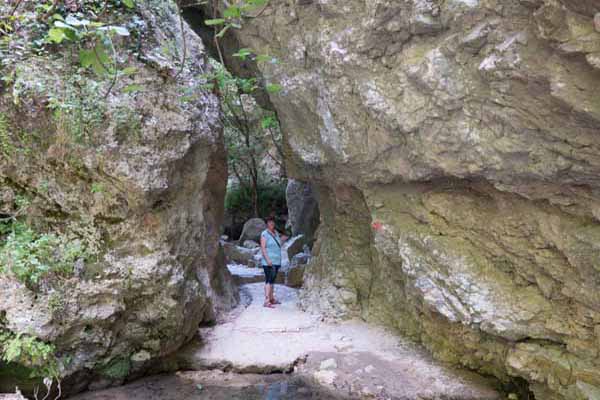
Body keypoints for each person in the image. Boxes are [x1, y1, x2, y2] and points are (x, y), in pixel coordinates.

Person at [260, 216, 288, 308]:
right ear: (267, 224)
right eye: (269, 222)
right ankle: (267, 300)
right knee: (268, 280)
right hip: (268, 261)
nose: (271, 223)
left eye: (272, 222)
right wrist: (268, 260)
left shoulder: (275, 233)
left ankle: (272, 298)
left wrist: (283, 239)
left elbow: (278, 244)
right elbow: (263, 248)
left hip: (276, 260)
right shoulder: (264, 234)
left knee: (272, 280)